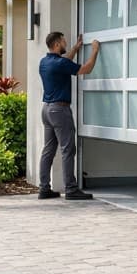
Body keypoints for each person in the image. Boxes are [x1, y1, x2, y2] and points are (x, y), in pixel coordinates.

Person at [38, 31, 100, 200]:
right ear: (57, 44)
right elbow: (86, 69)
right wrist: (94, 51)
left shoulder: (44, 62)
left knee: (48, 150)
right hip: (60, 110)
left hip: (47, 110)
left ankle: (44, 189)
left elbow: (64, 63)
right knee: (67, 150)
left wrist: (75, 48)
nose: (65, 44)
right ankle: (71, 189)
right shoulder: (60, 64)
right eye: (64, 42)